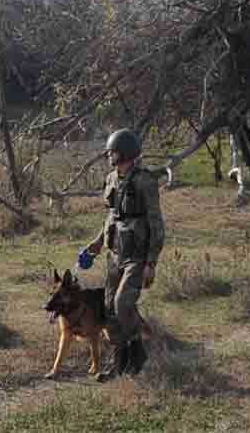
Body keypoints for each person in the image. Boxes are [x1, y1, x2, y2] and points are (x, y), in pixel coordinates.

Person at [81, 128, 165, 381]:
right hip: (115, 252)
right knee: (108, 308)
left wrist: (151, 263)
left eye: (113, 151)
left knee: (122, 304)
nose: (109, 155)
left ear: (125, 153)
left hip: (137, 256)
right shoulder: (112, 179)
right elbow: (113, 215)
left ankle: (137, 353)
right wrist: (97, 243)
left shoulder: (144, 181)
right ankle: (120, 362)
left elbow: (156, 224)